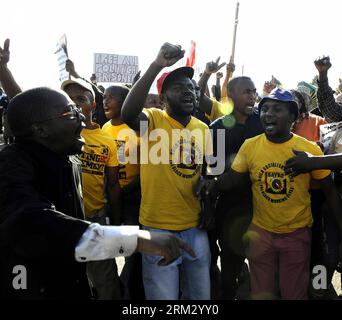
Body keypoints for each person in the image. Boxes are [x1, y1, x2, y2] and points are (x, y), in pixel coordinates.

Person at [0, 87, 195, 299]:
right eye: (71, 113)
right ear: (41, 130)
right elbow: (32, 222)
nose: (82, 118)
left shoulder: (69, 160)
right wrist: (135, 239)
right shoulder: (10, 164)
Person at [206, 88, 342, 299]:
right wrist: (212, 183)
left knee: (293, 292)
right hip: (261, 233)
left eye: (277, 109)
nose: (268, 114)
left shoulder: (309, 151)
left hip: (297, 234)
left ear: (292, 117)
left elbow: (329, 192)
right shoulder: (250, 146)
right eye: (265, 109)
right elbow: (232, 179)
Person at [121, 42, 212, 300]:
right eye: (179, 87)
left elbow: (208, 172)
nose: (189, 92)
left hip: (195, 228)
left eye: (192, 88)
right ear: (162, 98)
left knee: (200, 298)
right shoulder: (152, 120)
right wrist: (157, 65)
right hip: (157, 229)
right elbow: (128, 113)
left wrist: (208, 184)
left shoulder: (203, 129)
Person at [62, 80, 123, 299]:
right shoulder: (56, 134)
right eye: (69, 99)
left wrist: (115, 223)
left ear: (93, 105)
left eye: (81, 99)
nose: (74, 104)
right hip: (62, 220)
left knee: (106, 282)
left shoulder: (106, 139)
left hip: (95, 220)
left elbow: (113, 184)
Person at [209, 75, 263, 300]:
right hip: (230, 212)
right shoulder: (217, 129)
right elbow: (212, 173)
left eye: (253, 91)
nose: (252, 96)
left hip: (264, 209)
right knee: (230, 272)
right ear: (230, 96)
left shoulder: (264, 124)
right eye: (246, 92)